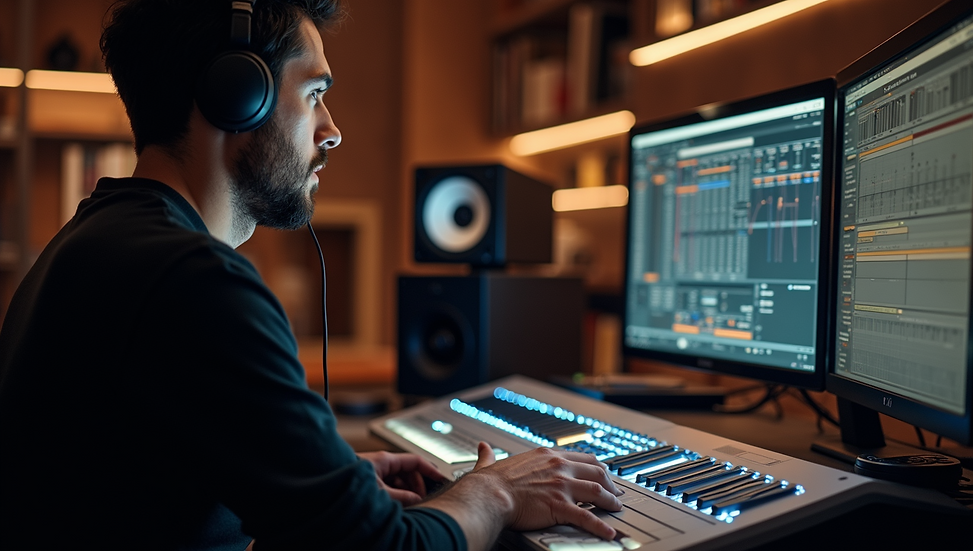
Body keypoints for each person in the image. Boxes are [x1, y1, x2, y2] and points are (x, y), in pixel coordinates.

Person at [0, 1, 624, 550]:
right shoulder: (193, 279)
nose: (331, 131)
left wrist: (325, 483)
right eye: (315, 94)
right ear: (238, 95)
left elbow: (143, 485)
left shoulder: (92, 241)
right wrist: (494, 494)